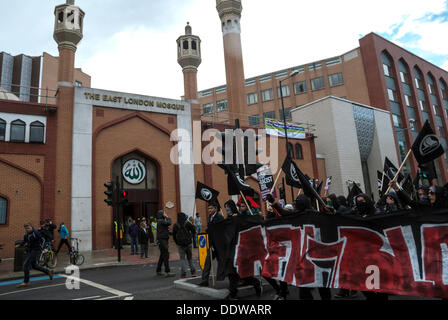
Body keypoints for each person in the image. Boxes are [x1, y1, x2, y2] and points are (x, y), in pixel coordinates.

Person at [16, 223, 54, 288]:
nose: (27, 229)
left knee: (25, 264)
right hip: (31, 250)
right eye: (26, 228)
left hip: (36, 250)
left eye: (28, 228)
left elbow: (43, 240)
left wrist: (43, 248)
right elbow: (25, 241)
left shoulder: (36, 233)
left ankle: (26, 282)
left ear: (31, 227)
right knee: (34, 266)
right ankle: (48, 271)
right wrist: (20, 245)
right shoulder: (26, 234)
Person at [199, 201, 225, 287]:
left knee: (223, 262)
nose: (209, 210)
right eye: (208, 208)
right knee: (207, 262)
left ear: (216, 208)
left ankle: (236, 279)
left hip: (219, 245)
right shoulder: (210, 217)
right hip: (211, 244)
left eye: (211, 208)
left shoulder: (220, 217)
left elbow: (220, 230)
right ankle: (204, 280)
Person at [173, 212, 197, 279]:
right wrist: (190, 237)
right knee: (190, 258)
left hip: (180, 245)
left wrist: (177, 242)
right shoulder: (188, 223)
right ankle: (193, 272)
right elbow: (194, 231)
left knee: (182, 259)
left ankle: (183, 274)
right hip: (188, 243)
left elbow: (174, 235)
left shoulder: (175, 225)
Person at [156, 210, 175, 277]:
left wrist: (173, 233)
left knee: (162, 255)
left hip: (164, 240)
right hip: (162, 240)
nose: (165, 214)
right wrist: (168, 217)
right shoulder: (160, 221)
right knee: (166, 255)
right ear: (161, 214)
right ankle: (167, 271)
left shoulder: (162, 221)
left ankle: (158, 270)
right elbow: (169, 223)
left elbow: (165, 231)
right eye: (164, 213)